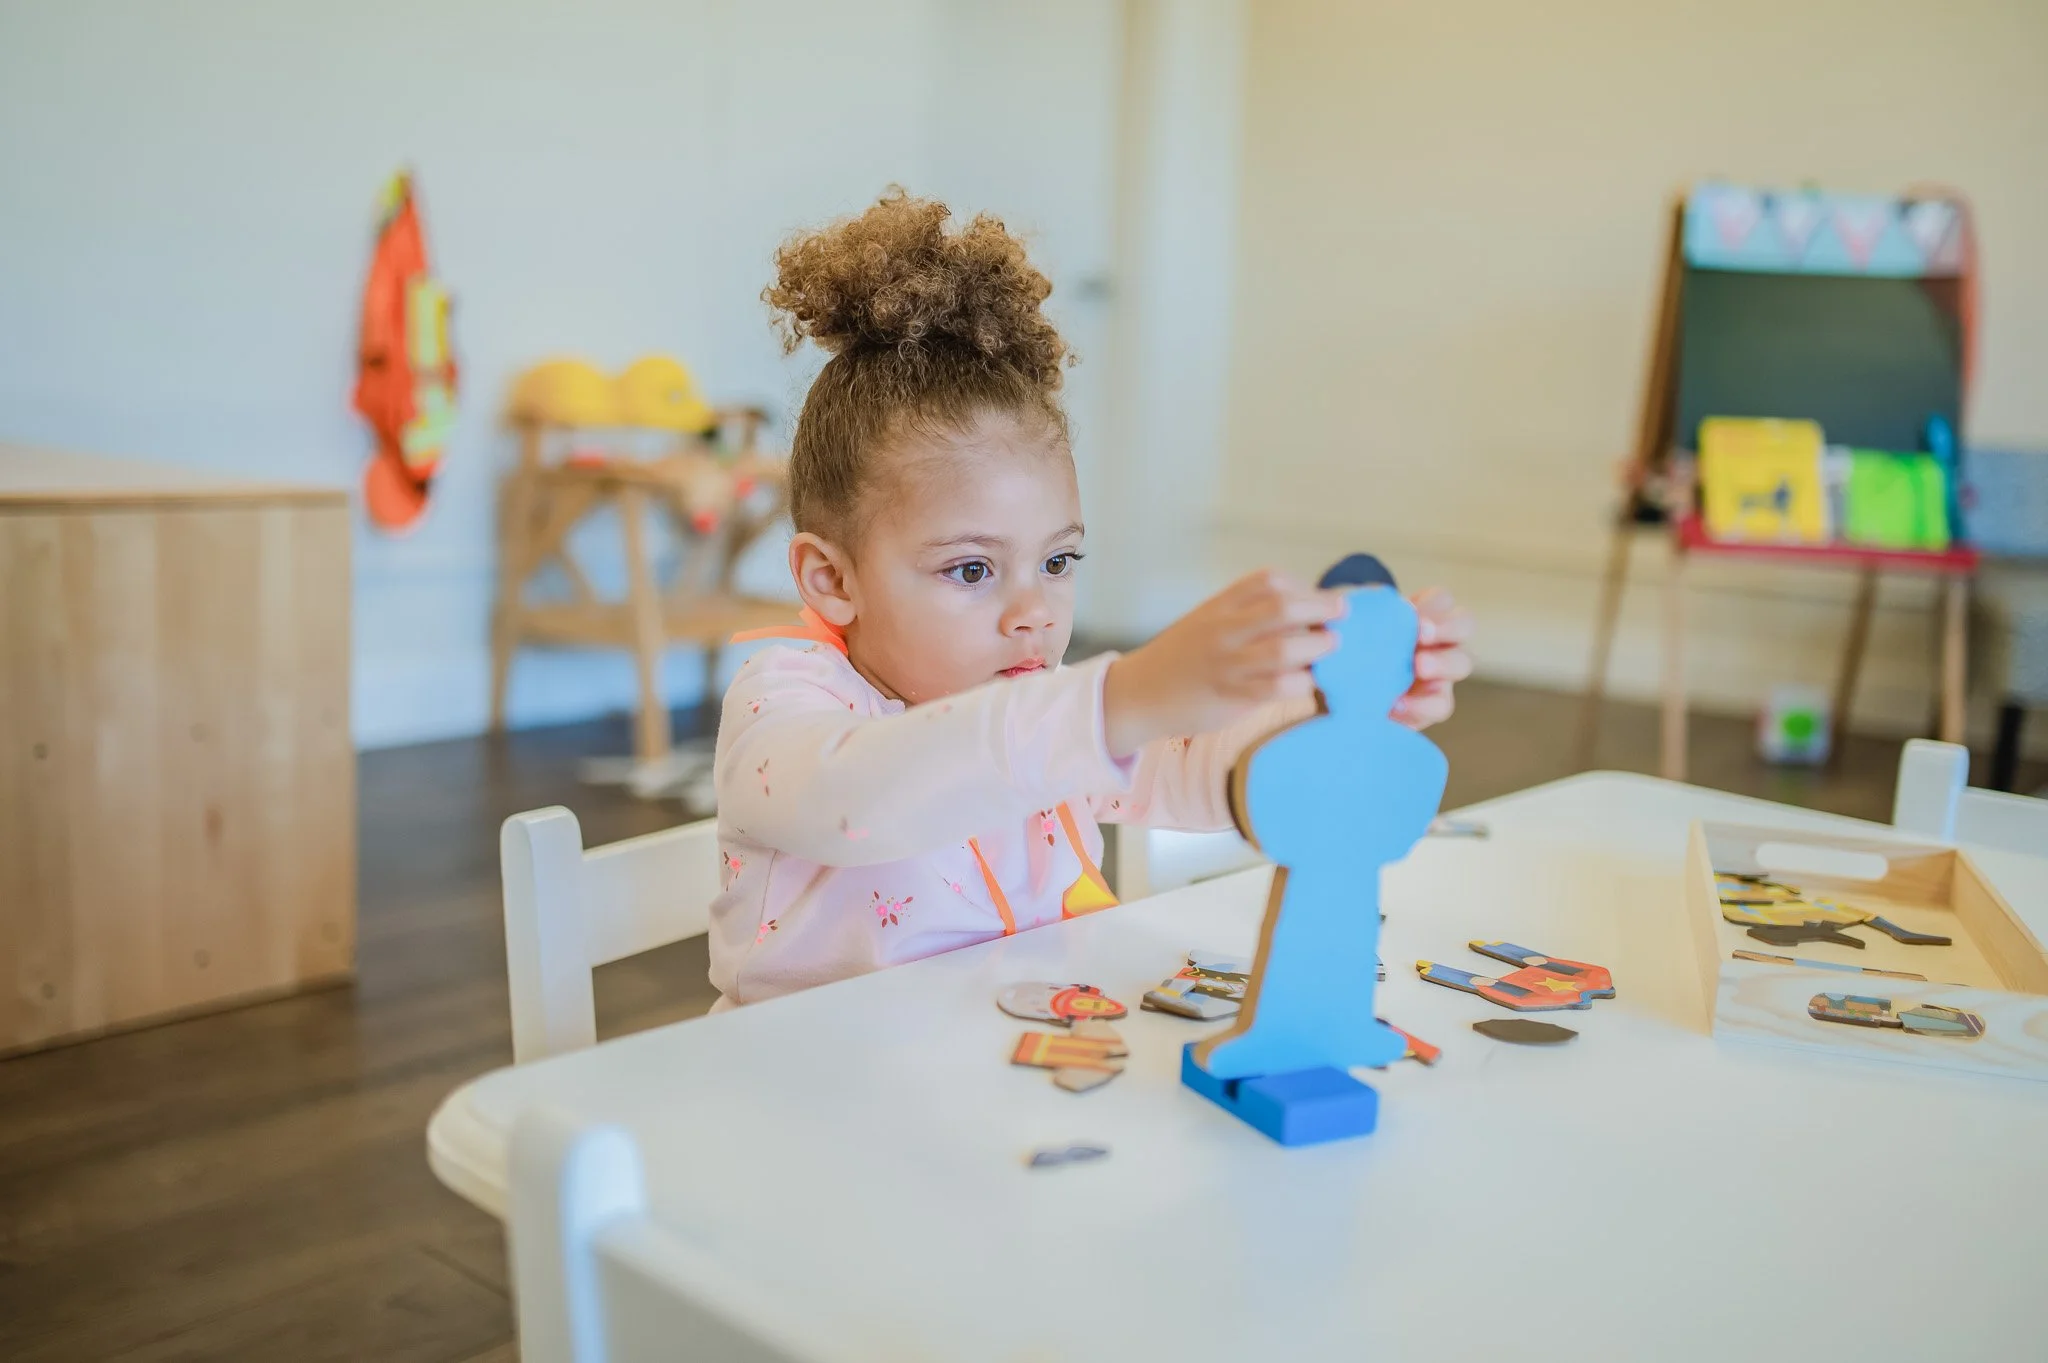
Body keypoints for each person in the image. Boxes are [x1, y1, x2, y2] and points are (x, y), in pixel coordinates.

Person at [708, 189, 1470, 1008]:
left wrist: (1331, 710)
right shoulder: (783, 704)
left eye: (1058, 560)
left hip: (1013, 1061)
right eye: (973, 570)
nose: (1034, 611)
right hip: (804, 1079)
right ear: (832, 579)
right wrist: (1117, 699)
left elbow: (1196, 771)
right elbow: (855, 801)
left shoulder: (1047, 711)